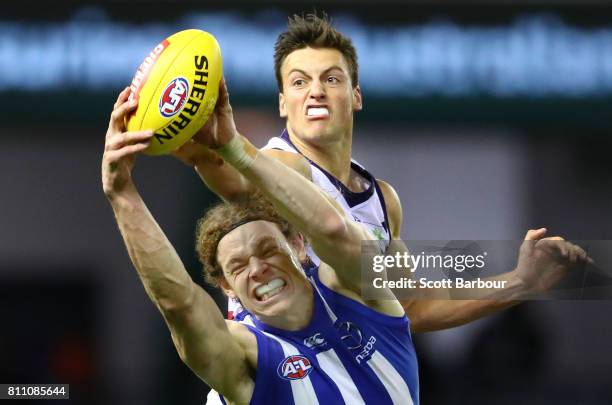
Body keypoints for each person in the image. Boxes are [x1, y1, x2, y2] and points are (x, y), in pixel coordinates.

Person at [102, 80, 588, 404]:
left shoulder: (361, 281)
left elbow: (350, 246)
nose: (258, 268)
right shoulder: (244, 350)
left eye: (269, 251)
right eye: (238, 268)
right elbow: (179, 302)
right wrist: (122, 193)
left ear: (298, 248)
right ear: (228, 291)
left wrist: (518, 280)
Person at [173, 13, 577, 333]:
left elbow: (411, 306)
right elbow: (229, 173)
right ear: (283, 103)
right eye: (299, 82)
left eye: (331, 79)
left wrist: (519, 282)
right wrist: (202, 144)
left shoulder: (382, 199)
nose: (315, 91)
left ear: (356, 96)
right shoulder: (278, 165)